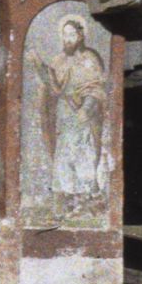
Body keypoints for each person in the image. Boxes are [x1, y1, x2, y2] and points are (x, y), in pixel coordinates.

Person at [34, 16, 109, 196]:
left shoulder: (90, 59)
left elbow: (96, 89)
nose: (67, 39)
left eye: (71, 35)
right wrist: (38, 64)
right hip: (64, 116)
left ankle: (87, 195)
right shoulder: (58, 60)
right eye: (64, 35)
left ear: (80, 36)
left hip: (83, 116)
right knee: (64, 156)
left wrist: (86, 108)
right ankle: (66, 196)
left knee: (84, 155)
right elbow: (53, 88)